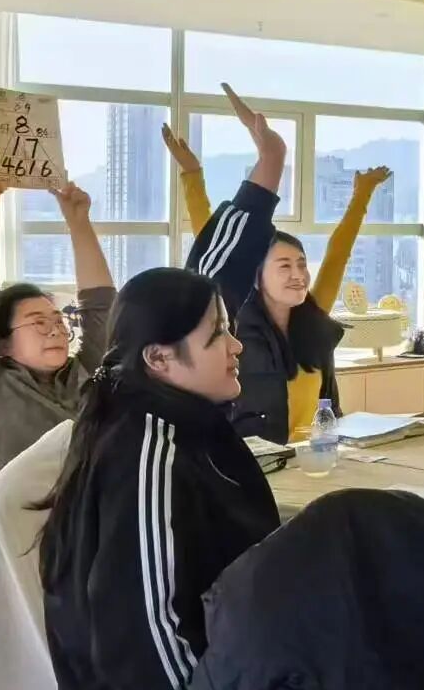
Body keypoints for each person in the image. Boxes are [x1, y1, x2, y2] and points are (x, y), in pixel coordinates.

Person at [37, 116, 287, 690]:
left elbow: (210, 280)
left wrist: (269, 166)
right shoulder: (147, 454)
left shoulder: (158, 384)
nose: (236, 345)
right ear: (161, 359)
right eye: (219, 337)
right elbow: (144, 633)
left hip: (229, 657)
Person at [162, 91, 391, 443]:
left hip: (315, 459)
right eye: (284, 266)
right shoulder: (233, 324)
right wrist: (192, 175)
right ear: (256, 275)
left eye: (301, 264)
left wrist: (362, 193)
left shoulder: (313, 313)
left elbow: (338, 253)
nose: (298, 275)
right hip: (255, 461)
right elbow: (216, 249)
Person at [0, 178, 115, 482]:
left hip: (98, 500)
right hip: (31, 510)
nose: (55, 331)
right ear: (3, 344)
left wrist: (78, 222)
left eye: (57, 320)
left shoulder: (85, 373)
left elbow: (101, 305)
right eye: (38, 322)